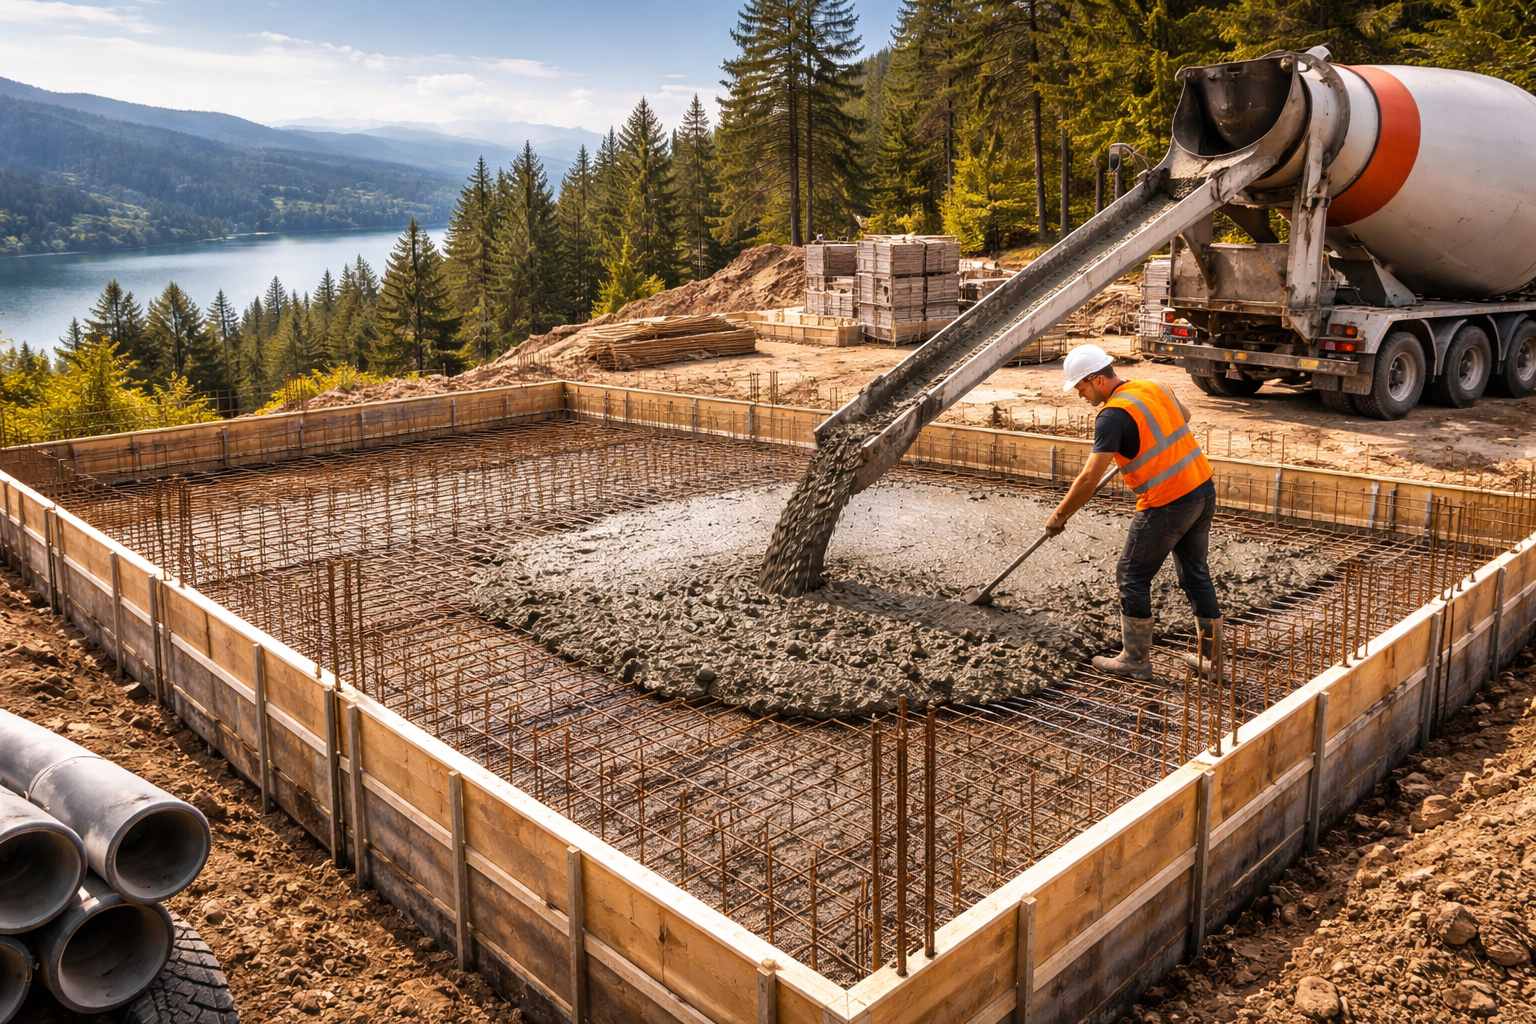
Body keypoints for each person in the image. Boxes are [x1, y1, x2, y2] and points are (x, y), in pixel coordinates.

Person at [1044, 344, 1221, 680]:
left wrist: (1060, 516)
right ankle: (1214, 660)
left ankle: (1135, 661)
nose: (1081, 396)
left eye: (1081, 388)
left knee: (1132, 576)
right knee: (1195, 573)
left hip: (1168, 503)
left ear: (1096, 380)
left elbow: (1087, 480)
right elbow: (1184, 417)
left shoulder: (1112, 416)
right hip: (1202, 488)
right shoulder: (1153, 385)